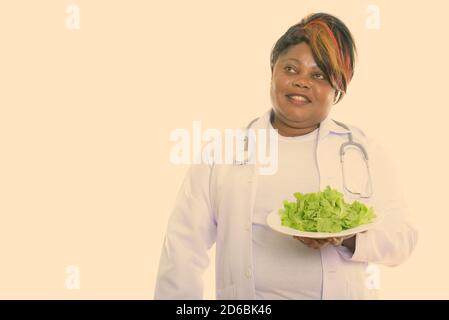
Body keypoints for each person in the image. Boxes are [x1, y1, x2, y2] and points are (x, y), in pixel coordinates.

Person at [154, 12, 418, 300]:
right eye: (291, 69)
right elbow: (182, 251)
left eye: (318, 75)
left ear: (336, 90)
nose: (301, 82)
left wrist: (348, 238)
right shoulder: (222, 154)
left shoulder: (364, 152)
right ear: (272, 72)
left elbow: (403, 238)